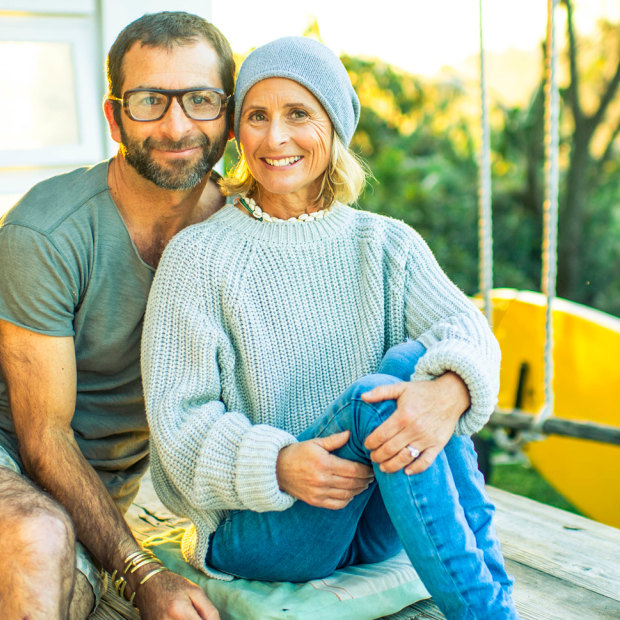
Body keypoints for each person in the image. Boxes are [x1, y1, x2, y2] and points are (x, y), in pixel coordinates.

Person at [142, 36, 520, 619]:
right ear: (238, 133)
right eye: (257, 116)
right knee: (382, 393)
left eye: (299, 114)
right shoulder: (200, 257)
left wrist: (449, 393)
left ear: (334, 126)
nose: (276, 137)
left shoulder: (386, 244)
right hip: (262, 529)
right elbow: (178, 426)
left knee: (418, 366)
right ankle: (488, 612)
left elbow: (468, 333)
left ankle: (492, 599)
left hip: (375, 515)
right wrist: (279, 464)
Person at [0, 11, 232, 620]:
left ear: (227, 116)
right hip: (15, 461)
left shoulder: (246, 235)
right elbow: (43, 438)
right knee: (36, 538)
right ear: (115, 116)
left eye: (201, 100)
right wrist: (141, 572)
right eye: (150, 100)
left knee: (64, 597)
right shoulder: (47, 232)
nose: (177, 125)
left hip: (89, 500)